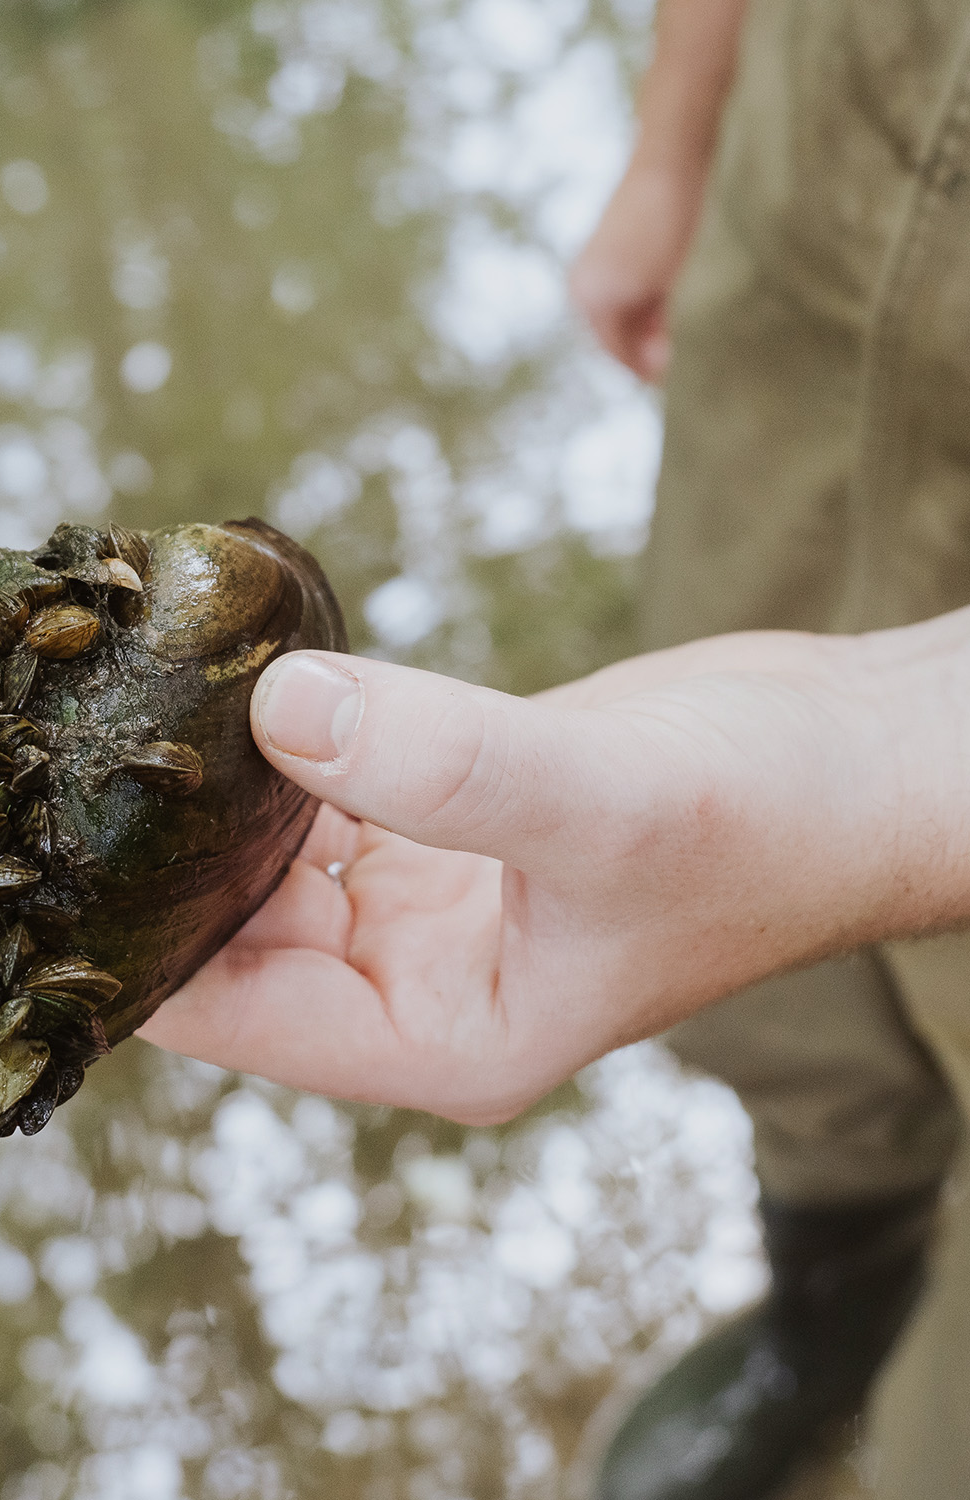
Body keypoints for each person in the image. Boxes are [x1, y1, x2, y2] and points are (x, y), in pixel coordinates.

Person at [144, 1, 970, 1495]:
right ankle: (837, 1284)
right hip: (833, 136)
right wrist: (675, 142)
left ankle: (922, 1379)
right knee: (765, 975)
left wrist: (888, 769)